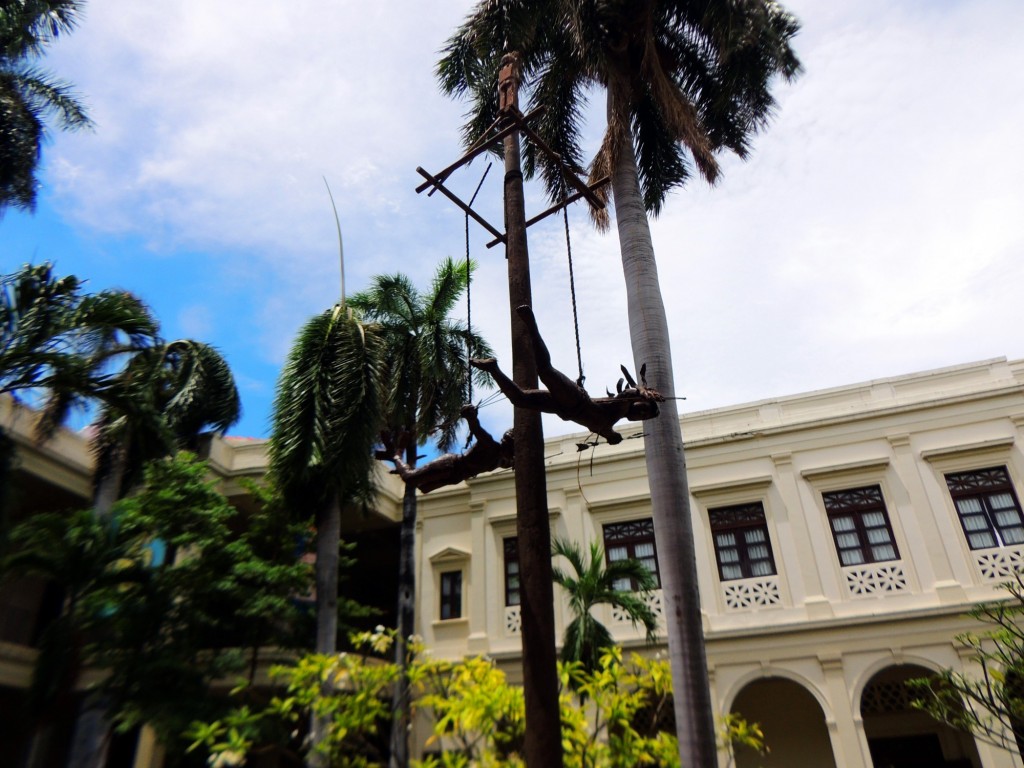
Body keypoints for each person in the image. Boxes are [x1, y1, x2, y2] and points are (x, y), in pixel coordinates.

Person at [471, 305, 663, 446]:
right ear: (640, 401)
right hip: (575, 399)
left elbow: (603, 429)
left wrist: (611, 436)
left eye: (644, 417)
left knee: (520, 399)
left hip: (563, 409)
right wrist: (643, 391)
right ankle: (530, 323)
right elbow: (629, 394)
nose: (642, 414)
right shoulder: (620, 407)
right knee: (545, 371)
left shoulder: (611, 422)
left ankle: (493, 368)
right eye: (645, 409)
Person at [379, 404, 513, 494]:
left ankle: (401, 465)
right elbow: (476, 428)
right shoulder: (489, 444)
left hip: (456, 477)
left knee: (423, 488)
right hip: (450, 465)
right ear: (506, 442)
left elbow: (514, 463)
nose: (511, 455)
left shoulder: (502, 460)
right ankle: (396, 454)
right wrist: (471, 416)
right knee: (409, 478)